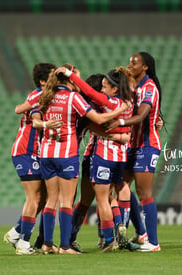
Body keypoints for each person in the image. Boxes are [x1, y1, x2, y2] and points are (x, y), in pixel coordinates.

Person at [35, 64, 129, 254]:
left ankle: (45, 243)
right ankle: (65, 246)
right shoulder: (73, 98)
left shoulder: (45, 96)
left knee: (51, 200)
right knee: (67, 202)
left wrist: (44, 123)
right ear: (70, 79)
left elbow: (32, 115)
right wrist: (121, 111)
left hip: (45, 153)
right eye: (76, 78)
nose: (80, 81)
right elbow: (99, 121)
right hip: (66, 154)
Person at [57, 66, 135, 252]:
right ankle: (117, 230)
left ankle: (99, 239)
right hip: (119, 155)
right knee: (109, 197)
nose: (102, 89)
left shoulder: (100, 107)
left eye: (104, 86)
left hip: (97, 156)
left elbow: (96, 122)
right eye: (100, 86)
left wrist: (70, 76)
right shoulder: (126, 104)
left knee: (89, 200)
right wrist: (121, 135)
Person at [3, 63, 61, 255]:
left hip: (36, 151)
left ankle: (16, 232)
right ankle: (23, 243)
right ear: (43, 81)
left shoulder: (48, 96)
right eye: (53, 76)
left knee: (43, 198)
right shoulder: (38, 95)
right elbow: (19, 110)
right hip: (25, 151)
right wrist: (44, 123)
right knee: (34, 197)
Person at [108, 52, 163, 252]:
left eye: (135, 62)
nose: (130, 64)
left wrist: (119, 122)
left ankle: (153, 243)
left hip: (147, 146)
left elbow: (141, 116)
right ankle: (140, 233)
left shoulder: (149, 88)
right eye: (130, 61)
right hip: (131, 146)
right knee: (121, 185)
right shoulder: (133, 88)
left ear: (145, 67)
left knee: (144, 193)